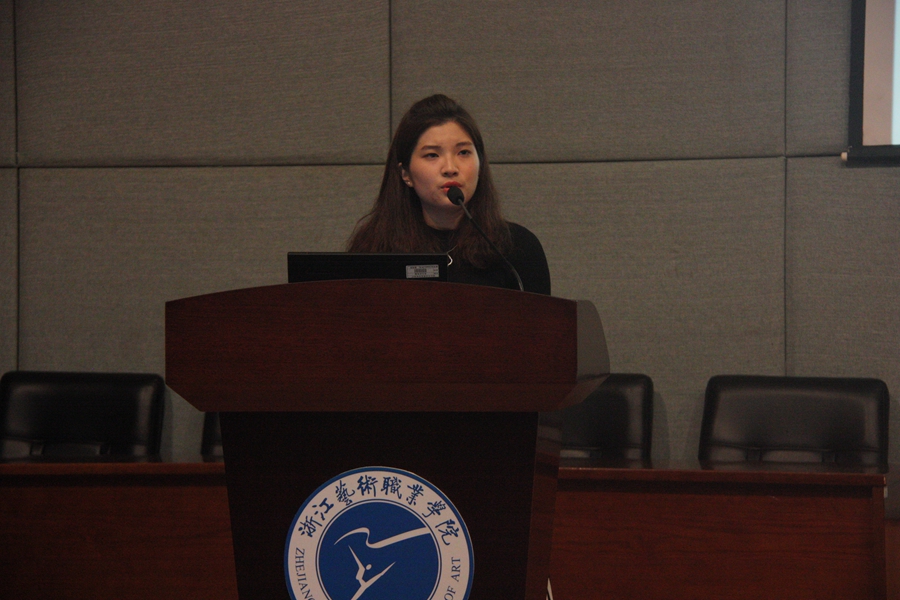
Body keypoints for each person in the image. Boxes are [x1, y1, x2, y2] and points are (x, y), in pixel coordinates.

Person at [347, 94, 551, 295]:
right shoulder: (373, 249)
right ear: (405, 173)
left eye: (463, 152)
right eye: (432, 155)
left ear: (480, 164)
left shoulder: (517, 248)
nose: (450, 168)